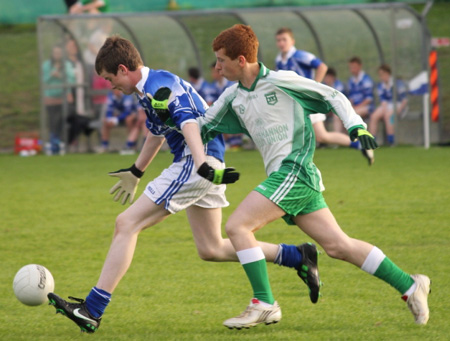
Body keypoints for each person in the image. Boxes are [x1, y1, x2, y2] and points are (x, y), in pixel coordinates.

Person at [47, 35, 320, 333]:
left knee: (126, 223)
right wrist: (136, 171)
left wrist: (200, 163)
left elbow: (189, 122)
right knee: (211, 248)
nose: (112, 86)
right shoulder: (146, 90)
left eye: (111, 79)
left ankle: (93, 309)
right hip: (203, 160)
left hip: (196, 161)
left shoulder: (159, 86)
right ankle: (297, 256)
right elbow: (157, 133)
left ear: (124, 69)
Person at [198, 24, 430, 329]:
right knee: (339, 247)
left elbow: (332, 95)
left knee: (237, 226)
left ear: (241, 60)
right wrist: (165, 113)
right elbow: (201, 126)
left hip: (293, 170)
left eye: (221, 60)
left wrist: (354, 125)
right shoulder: (232, 97)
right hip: (293, 180)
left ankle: (264, 302)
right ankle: (411, 285)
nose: (216, 67)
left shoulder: (282, 81)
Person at [275, 27, 373, 165]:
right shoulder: (279, 60)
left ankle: (359, 145)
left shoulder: (300, 55)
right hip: (294, 103)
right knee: (315, 136)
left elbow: (322, 67)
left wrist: (313, 88)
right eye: (278, 40)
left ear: (292, 41)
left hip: (307, 103)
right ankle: (359, 146)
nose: (281, 43)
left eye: (284, 39)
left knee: (321, 136)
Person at [42, 44, 76, 155]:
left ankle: (61, 141)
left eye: (59, 53)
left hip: (64, 98)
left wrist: (59, 75)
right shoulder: (47, 65)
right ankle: (53, 143)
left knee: (62, 119)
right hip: (50, 98)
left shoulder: (67, 65)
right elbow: (44, 80)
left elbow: (71, 80)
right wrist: (53, 73)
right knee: (52, 121)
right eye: (55, 53)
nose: (57, 55)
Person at [368, 64, 408, 146]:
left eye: (382, 74)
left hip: (399, 105)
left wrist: (398, 111)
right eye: (379, 75)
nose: (381, 77)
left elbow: (404, 100)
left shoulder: (397, 83)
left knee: (389, 116)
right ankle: (371, 141)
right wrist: (384, 110)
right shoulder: (381, 85)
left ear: (388, 73)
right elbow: (383, 101)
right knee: (374, 116)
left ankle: (391, 141)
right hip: (387, 105)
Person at [98, 89, 143, 154]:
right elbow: (109, 110)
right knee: (106, 122)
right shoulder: (111, 96)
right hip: (119, 116)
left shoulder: (127, 96)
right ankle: (104, 146)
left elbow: (128, 111)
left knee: (129, 120)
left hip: (131, 115)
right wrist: (110, 119)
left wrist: (116, 119)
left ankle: (132, 145)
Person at [323, 67, 347, 133]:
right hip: (328, 108)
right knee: (319, 114)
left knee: (336, 116)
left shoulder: (339, 85)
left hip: (339, 107)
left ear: (332, 77)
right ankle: (322, 140)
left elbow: (336, 99)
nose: (326, 79)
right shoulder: (323, 85)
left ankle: (338, 137)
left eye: (327, 77)